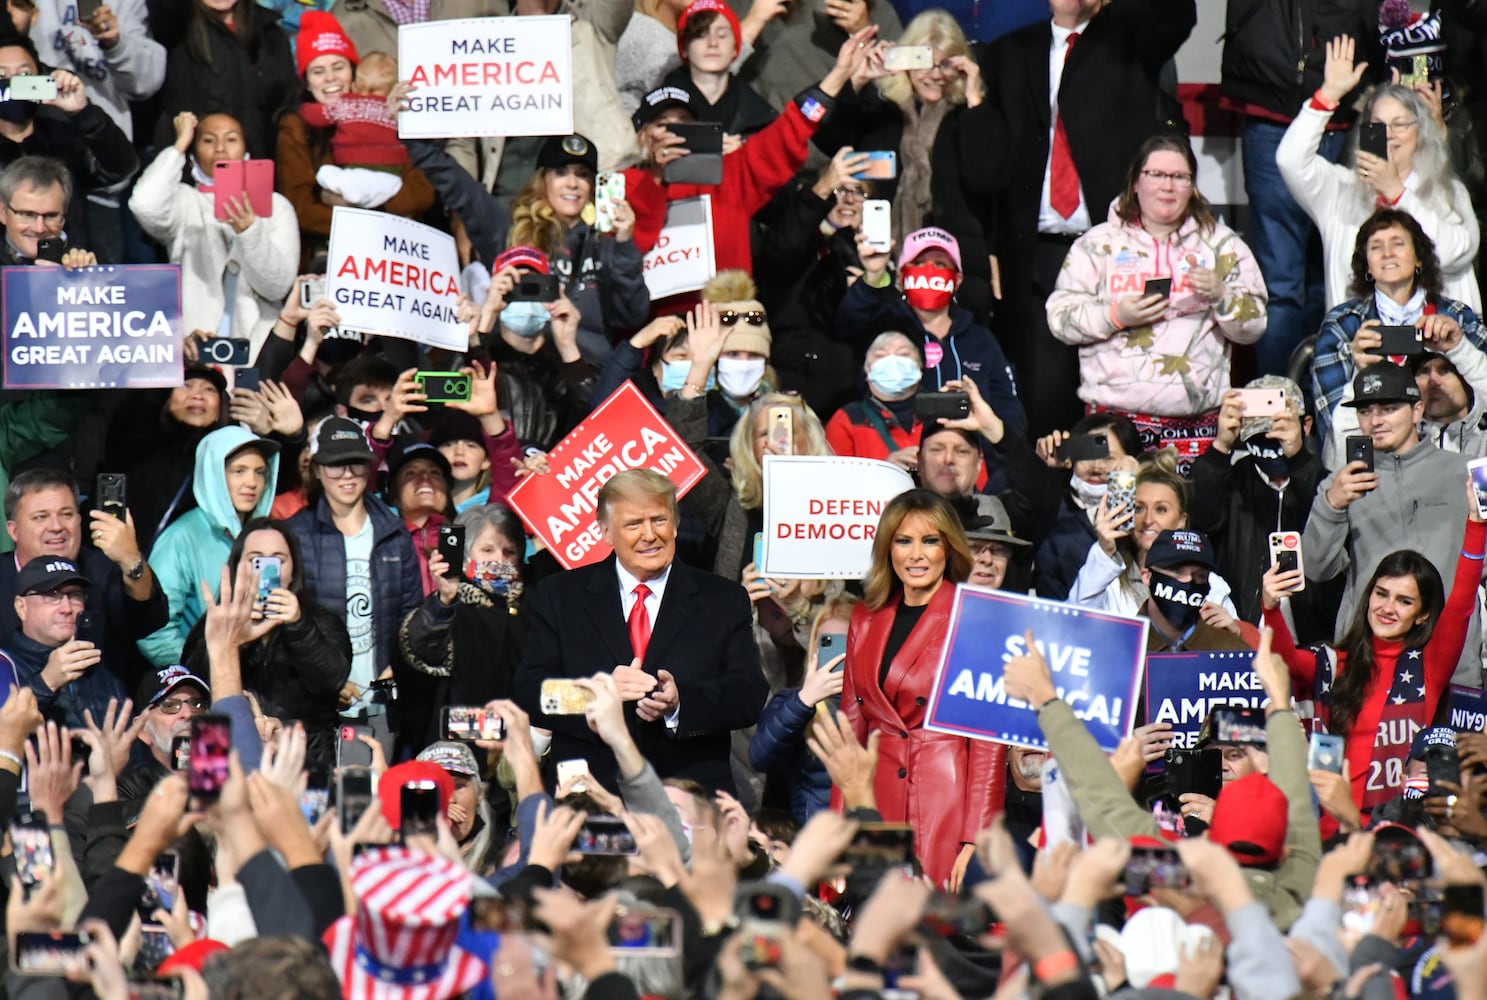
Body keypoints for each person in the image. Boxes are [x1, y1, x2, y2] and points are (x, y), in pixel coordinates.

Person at [980, 0, 1196, 435]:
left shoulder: (1130, 38)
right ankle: (1052, 494)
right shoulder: (1009, 52)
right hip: (1035, 249)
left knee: (1115, 397)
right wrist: (988, 247)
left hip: (1113, 247)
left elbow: (1176, 13)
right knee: (1042, 396)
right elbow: (991, 161)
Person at [515, 468, 767, 794]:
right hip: (591, 799)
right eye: (634, 524)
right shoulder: (560, 595)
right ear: (605, 532)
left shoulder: (723, 600)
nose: (650, 535)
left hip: (690, 800)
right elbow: (532, 691)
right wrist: (596, 695)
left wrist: (679, 704)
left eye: (659, 520)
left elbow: (747, 694)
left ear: (676, 524)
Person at [1045, 134, 1268, 469]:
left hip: (1197, 432)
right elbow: (1059, 319)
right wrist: (1114, 315)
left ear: (1192, 186)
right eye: (1157, 175)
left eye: (1179, 177)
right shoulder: (1097, 245)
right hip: (1112, 430)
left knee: (1190, 521)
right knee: (1111, 520)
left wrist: (1222, 297)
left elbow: (1255, 326)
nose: (1168, 186)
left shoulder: (1223, 247)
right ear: (1136, 182)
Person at [1265, 498, 1486, 818]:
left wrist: (1477, 522)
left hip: (1397, 827)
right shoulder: (1333, 663)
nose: (1387, 607)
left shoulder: (1430, 665)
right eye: (1381, 594)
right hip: (1330, 824)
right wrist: (1270, 608)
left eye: (1404, 601)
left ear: (1423, 615)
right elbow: (1282, 662)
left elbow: (1462, 602)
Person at [842, 488, 1004, 889]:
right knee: (875, 925)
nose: (917, 554)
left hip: (942, 796)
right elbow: (849, 733)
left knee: (929, 927)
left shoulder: (975, 616)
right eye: (904, 541)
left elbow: (987, 742)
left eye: (930, 541)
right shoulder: (864, 617)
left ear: (948, 548)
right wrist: (841, 822)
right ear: (887, 549)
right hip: (874, 797)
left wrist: (975, 839)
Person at [1218, 0, 1377, 375]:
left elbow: (1384, 20)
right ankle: (1280, 405)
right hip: (1271, 106)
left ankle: (1330, 394)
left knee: (1340, 271)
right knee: (1281, 283)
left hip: (1350, 114)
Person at [399, 131, 651, 363]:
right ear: (544, 180)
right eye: (561, 172)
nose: (572, 183)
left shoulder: (605, 246)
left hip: (586, 378)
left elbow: (631, 316)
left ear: (592, 186)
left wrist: (624, 244)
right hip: (518, 376)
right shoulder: (508, 232)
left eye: (582, 174)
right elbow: (458, 186)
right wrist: (409, 132)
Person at [1301, 363, 1480, 684]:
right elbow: (1316, 568)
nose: (1375, 420)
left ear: (1417, 411)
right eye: (1365, 411)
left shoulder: (1466, 473)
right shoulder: (1341, 483)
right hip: (1366, 660)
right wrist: (1331, 506)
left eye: (1389, 408)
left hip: (1448, 659)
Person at [809, 10, 1004, 303]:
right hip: (881, 262)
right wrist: (858, 81)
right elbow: (826, 137)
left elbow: (986, 181)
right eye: (925, 62)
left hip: (954, 271)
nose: (936, 75)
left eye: (947, 64)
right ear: (906, 62)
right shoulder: (879, 111)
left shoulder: (970, 117)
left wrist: (974, 100)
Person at [1278, 35, 1481, 312]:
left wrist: (1397, 192)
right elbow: (1290, 160)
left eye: (1400, 125)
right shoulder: (1340, 189)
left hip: (1434, 348)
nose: (1388, 135)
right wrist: (1329, 94)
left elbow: (1450, 254)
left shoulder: (1447, 193)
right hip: (1359, 344)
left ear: (1420, 134)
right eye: (1378, 126)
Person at [1310, 208, 1487, 456]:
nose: (1387, 254)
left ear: (1419, 258)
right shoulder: (1343, 326)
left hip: (1454, 459)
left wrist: (1459, 349)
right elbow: (1337, 445)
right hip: (1379, 468)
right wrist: (1360, 372)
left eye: (1398, 243)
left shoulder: (1457, 317)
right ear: (1367, 268)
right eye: (1375, 247)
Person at [180, 517, 350, 769]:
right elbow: (193, 688)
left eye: (278, 560)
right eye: (255, 559)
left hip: (301, 762)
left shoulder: (321, 621)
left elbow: (331, 680)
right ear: (238, 566)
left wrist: (298, 625)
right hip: (222, 757)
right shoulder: (217, 621)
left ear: (293, 569)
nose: (267, 570)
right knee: (213, 802)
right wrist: (233, 640)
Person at [129, 111, 300, 357]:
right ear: (194, 153)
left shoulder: (276, 206)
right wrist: (179, 145)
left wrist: (249, 231)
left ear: (246, 149)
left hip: (258, 346)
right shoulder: (184, 201)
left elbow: (276, 287)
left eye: (231, 139)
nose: (220, 148)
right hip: (197, 342)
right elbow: (144, 205)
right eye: (208, 140)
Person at [288, 417, 421, 730]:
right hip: (315, 706)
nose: (347, 475)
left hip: (382, 706)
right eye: (335, 465)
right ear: (318, 469)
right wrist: (327, 680)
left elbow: (411, 614)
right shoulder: (294, 534)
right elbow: (288, 627)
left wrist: (398, 667)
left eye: (356, 464)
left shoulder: (394, 533)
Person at [836, 226, 1025, 437]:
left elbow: (1009, 411)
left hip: (967, 460)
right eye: (918, 263)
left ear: (958, 280)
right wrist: (873, 275)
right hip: (894, 452)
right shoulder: (881, 323)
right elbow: (849, 321)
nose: (929, 270)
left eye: (940, 264)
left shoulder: (980, 340)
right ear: (901, 275)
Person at [276, 13, 433, 261]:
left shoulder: (386, 116)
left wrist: (358, 205)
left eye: (338, 67)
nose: (330, 78)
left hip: (392, 254)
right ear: (307, 83)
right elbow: (301, 209)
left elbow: (421, 192)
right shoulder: (295, 127)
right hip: (329, 256)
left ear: (353, 72)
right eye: (318, 71)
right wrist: (377, 213)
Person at [0, 469, 167, 695]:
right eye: (41, 517)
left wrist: (131, 560)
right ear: (14, 530)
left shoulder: (102, 568)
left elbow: (148, 620)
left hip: (103, 715)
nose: (56, 526)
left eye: (66, 514)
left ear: (79, 520)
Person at [1187, 377, 1331, 636]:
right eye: (1260, 435)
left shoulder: (1325, 484)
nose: (1270, 442)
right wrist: (1220, 448)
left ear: (1306, 425)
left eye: (1277, 434)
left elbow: (1330, 539)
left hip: (1310, 639)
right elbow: (1199, 519)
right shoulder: (1227, 483)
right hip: (1239, 635)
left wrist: (1299, 461)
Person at [137, 426, 280, 667]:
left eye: (260, 472)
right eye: (238, 471)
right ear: (213, 474)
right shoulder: (182, 537)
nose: (252, 482)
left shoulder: (266, 536)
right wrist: (203, 671)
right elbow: (153, 633)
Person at [398, 504, 529, 753]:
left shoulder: (531, 606)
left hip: (520, 747)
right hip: (461, 750)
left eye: (509, 551)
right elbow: (422, 647)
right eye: (488, 550)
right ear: (468, 555)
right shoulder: (453, 606)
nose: (499, 560)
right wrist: (444, 600)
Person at [0, 36, 138, 258]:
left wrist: (82, 112)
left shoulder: (63, 137)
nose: (14, 83)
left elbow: (120, 168)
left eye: (25, 75)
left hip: (69, 269)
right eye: (2, 75)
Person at [747, 595, 855, 824]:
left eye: (846, 644)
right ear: (813, 648)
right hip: (816, 835)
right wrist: (804, 701)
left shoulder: (884, 703)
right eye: (828, 644)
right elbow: (760, 756)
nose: (836, 656)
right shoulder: (794, 702)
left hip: (874, 835)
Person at [152, 0, 297, 159]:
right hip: (196, 173)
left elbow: (287, 106)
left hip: (262, 169)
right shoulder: (176, 29)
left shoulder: (271, 34)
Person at [7, 556, 123, 729]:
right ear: (22, 607)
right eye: (53, 596)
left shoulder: (99, 670)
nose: (67, 609)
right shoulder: (6, 665)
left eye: (75, 595)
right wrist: (47, 682)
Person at [661, 0, 774, 141]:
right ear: (684, 48)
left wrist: (744, 154)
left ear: (735, 48)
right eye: (700, 35)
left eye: (722, 35)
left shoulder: (758, 114)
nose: (713, 43)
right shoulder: (659, 105)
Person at [824, 330, 925, 472]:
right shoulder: (846, 420)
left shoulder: (942, 413)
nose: (893, 362)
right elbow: (835, 480)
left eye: (903, 354)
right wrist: (883, 471)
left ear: (919, 367)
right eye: (881, 356)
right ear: (867, 371)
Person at [1137, 529, 1251, 654]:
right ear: (1147, 576)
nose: (1189, 581)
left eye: (1200, 576)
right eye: (1177, 571)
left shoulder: (1231, 651)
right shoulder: (1119, 644)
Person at [116, 663, 209, 802]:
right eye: (170, 705)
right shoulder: (127, 788)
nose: (189, 713)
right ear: (142, 730)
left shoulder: (231, 774)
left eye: (197, 704)